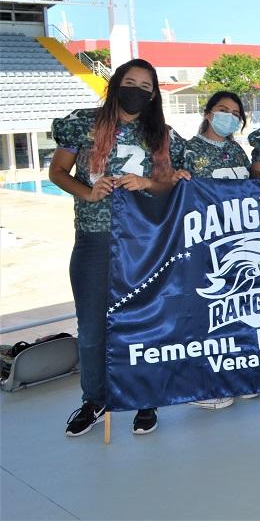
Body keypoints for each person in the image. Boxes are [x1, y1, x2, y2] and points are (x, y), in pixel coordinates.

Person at [49, 58, 185, 436]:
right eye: (131, 82)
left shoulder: (158, 133)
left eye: (146, 86)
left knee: (143, 321)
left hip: (142, 242)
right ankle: (94, 399)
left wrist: (146, 184)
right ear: (116, 84)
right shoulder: (84, 122)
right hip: (94, 240)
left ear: (154, 94)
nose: (137, 91)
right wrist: (88, 193)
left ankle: (145, 399)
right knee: (92, 328)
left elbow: (165, 184)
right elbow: (57, 171)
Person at [172, 91, 259, 409]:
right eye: (223, 110)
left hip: (236, 241)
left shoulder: (238, 151)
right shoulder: (189, 149)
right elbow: (172, 189)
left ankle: (235, 374)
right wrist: (175, 177)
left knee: (235, 311)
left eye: (236, 113)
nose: (230, 117)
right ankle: (204, 384)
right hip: (203, 242)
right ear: (208, 113)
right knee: (206, 313)